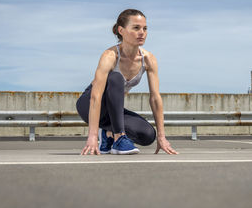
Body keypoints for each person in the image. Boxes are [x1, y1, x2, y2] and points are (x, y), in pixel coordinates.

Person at [76, 9, 178, 155]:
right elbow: (95, 96)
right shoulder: (110, 56)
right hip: (89, 105)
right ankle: (118, 138)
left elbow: (155, 98)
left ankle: (107, 135)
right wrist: (91, 137)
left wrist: (162, 137)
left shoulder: (148, 59)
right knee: (116, 77)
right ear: (121, 30)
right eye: (136, 28)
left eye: (145, 28)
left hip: (113, 111)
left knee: (148, 135)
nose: (142, 32)